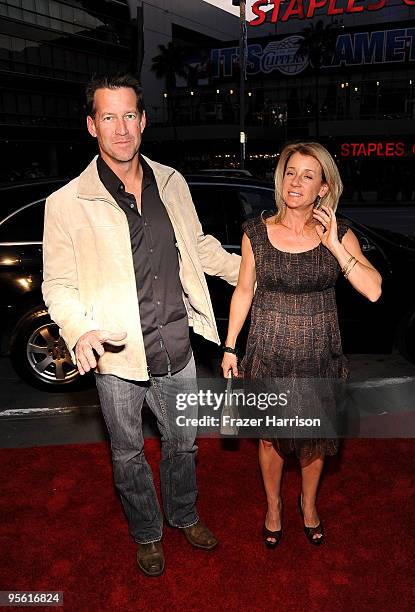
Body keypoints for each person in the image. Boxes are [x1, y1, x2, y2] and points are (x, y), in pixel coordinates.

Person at [42, 74, 240, 576]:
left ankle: (183, 514)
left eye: (129, 114)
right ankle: (147, 533)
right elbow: (58, 285)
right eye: (108, 117)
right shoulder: (66, 203)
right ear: (92, 126)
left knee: (184, 443)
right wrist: (78, 328)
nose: (121, 127)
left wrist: (261, 267)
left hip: (178, 346)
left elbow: (197, 249)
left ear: (144, 120)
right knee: (129, 455)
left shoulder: (172, 182)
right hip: (117, 357)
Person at [221, 141, 382, 547]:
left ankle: (308, 504)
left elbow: (374, 290)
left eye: (308, 176)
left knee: (314, 440)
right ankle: (273, 505)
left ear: (323, 188)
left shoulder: (339, 233)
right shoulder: (255, 233)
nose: (296, 182)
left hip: (318, 356)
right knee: (271, 439)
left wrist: (332, 245)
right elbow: (243, 292)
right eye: (290, 172)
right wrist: (229, 347)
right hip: (269, 354)